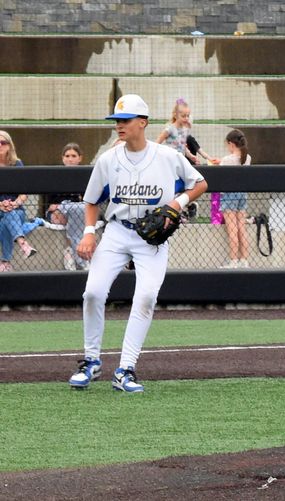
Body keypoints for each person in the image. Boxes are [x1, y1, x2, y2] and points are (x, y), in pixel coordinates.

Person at [67, 94, 208, 392]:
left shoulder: (167, 157)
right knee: (92, 292)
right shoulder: (108, 159)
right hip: (117, 231)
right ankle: (91, 361)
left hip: (151, 239)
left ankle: (126, 369)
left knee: (145, 298)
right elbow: (91, 200)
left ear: (142, 123)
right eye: (117, 121)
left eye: (126, 120)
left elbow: (200, 183)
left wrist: (177, 204)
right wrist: (89, 232)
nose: (120, 126)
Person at [42, 143, 99, 270]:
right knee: (76, 210)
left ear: (80, 158)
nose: (70, 159)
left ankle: (69, 251)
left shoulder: (87, 175)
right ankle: (82, 260)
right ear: (62, 158)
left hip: (77, 210)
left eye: (74, 156)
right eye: (67, 156)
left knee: (76, 210)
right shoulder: (54, 175)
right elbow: (49, 202)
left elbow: (89, 200)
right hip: (58, 211)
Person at [0, 130, 37, 272]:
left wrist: (15, 203)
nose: (0, 145)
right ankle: (23, 245)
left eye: (3, 143)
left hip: (15, 210)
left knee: (8, 218)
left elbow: (24, 192)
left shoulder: (17, 164)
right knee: (6, 218)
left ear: (9, 146)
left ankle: (6, 262)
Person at [218, 129, 251, 269]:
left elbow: (222, 171)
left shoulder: (227, 160)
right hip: (242, 194)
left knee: (232, 229)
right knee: (241, 228)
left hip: (229, 195)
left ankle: (233, 261)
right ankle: (244, 260)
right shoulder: (247, 157)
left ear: (231, 144)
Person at [156, 98, 198, 165]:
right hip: (170, 161)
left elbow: (182, 146)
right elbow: (158, 142)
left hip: (180, 161)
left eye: (188, 116)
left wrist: (190, 156)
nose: (186, 118)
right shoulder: (170, 129)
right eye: (183, 116)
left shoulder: (185, 130)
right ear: (175, 115)